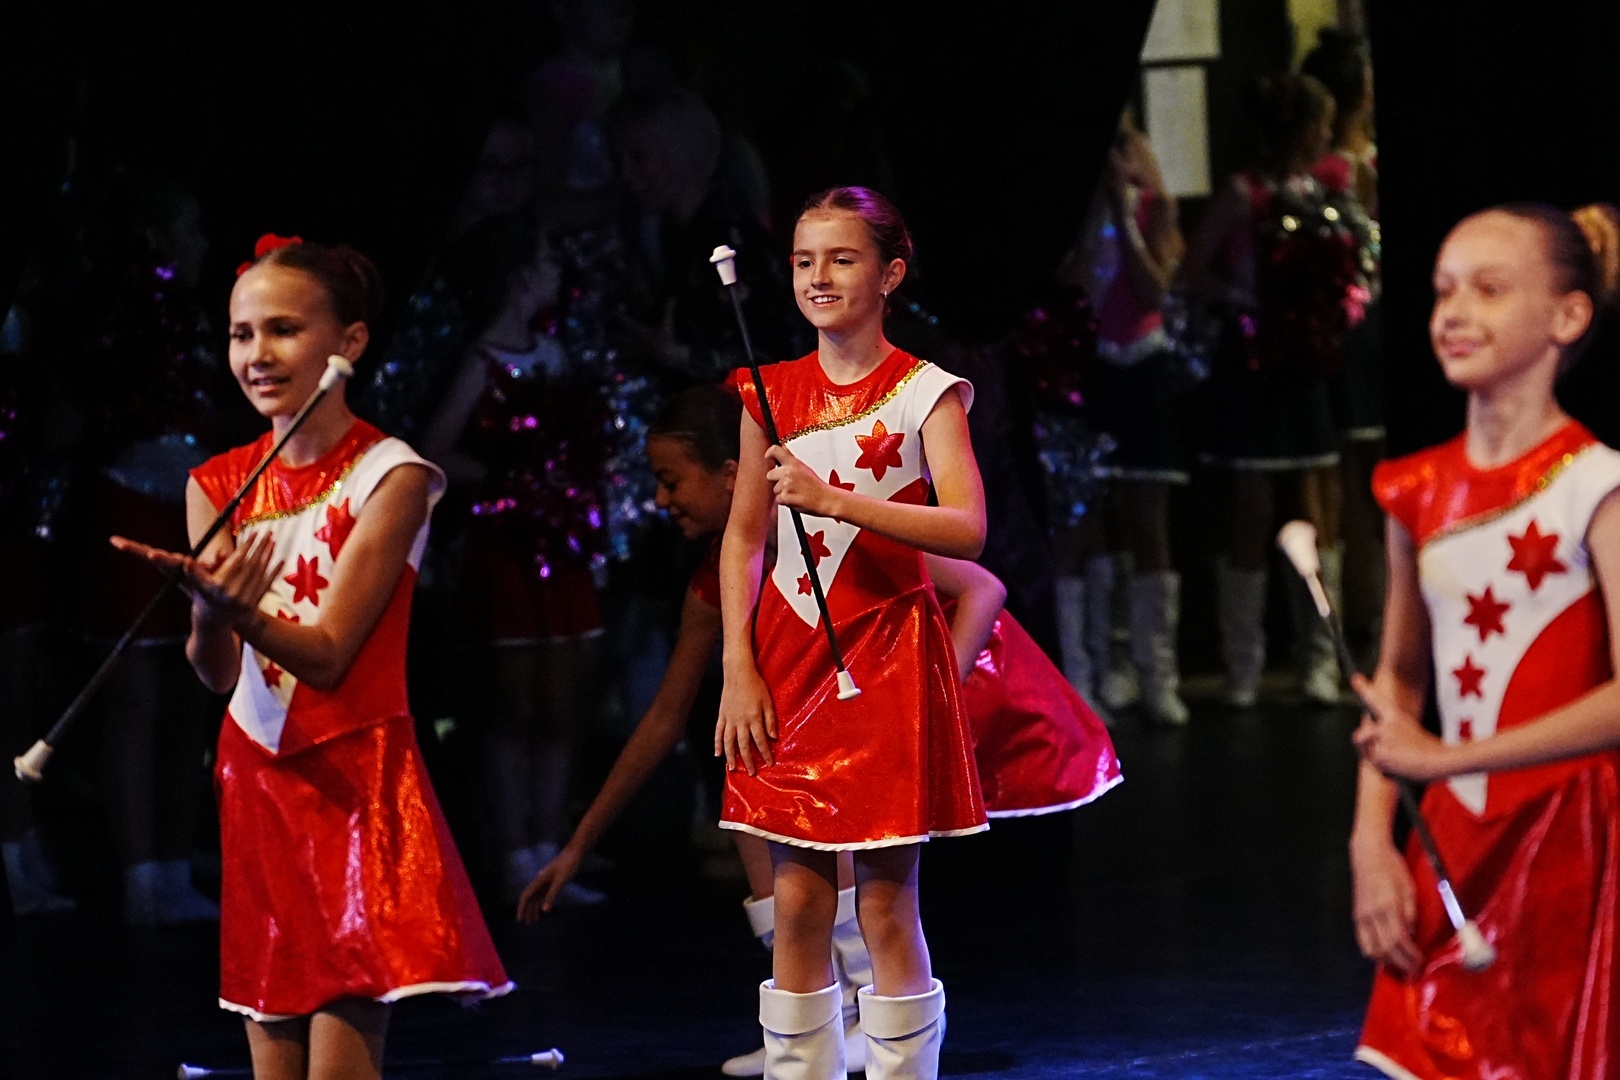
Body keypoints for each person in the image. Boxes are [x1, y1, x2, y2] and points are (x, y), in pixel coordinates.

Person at [518, 383, 1121, 1075]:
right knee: (751, 791)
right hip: (831, 727)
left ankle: (869, 1002)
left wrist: (932, 699)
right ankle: (822, 1014)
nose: (660, 500)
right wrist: (577, 846)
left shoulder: (833, 533)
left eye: (671, 480)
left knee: (857, 856)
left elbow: (983, 588)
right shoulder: (718, 584)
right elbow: (663, 718)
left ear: (732, 474)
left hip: (923, 687)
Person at [114, 235, 511, 1080]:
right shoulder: (214, 485)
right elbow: (217, 673)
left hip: (355, 781)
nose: (257, 354)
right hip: (256, 779)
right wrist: (206, 614)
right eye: (241, 334)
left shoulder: (392, 476)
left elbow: (329, 658)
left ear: (349, 343)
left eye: (284, 329)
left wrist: (236, 609)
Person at [1342, 204, 1620, 1078]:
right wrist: (1370, 840)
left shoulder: (1596, 486)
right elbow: (1399, 679)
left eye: (1490, 291)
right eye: (1444, 291)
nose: (1454, 313)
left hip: (1574, 844)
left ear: (1567, 317)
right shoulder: (1416, 489)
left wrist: (1444, 759)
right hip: (1455, 834)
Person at [715, 186, 984, 1080]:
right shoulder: (768, 392)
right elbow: (744, 538)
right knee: (797, 901)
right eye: (803, 261)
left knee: (883, 906)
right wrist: (737, 665)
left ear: (890, 273)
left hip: (884, 658)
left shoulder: (925, 392)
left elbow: (967, 528)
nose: (818, 277)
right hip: (785, 663)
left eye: (841, 258)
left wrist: (836, 501)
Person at [1181, 73, 1349, 707]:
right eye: (1321, 123)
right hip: (1252, 360)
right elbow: (1193, 271)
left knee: (1317, 501)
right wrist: (1246, 298)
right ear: (1300, 128)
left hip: (1305, 361)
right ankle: (1243, 667)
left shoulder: (1323, 193)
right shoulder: (1241, 192)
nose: (1327, 135)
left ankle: (1321, 662)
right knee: (1251, 505)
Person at [1051, 107, 1189, 726]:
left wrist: (1126, 216)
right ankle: (1093, 673)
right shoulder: (1076, 216)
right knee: (1086, 521)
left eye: (1124, 148)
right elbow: (1073, 290)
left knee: (1147, 519)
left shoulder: (1156, 208)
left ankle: (1157, 674)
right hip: (1088, 368)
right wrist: (1095, 218)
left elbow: (1155, 289)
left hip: (1143, 366)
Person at [1302, 30, 1386, 667]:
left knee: (1346, 483)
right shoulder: (1343, 170)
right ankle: (1368, 617)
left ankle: (1366, 617)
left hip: (1335, 329)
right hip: (1353, 328)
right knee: (1358, 479)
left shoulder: (1334, 166)